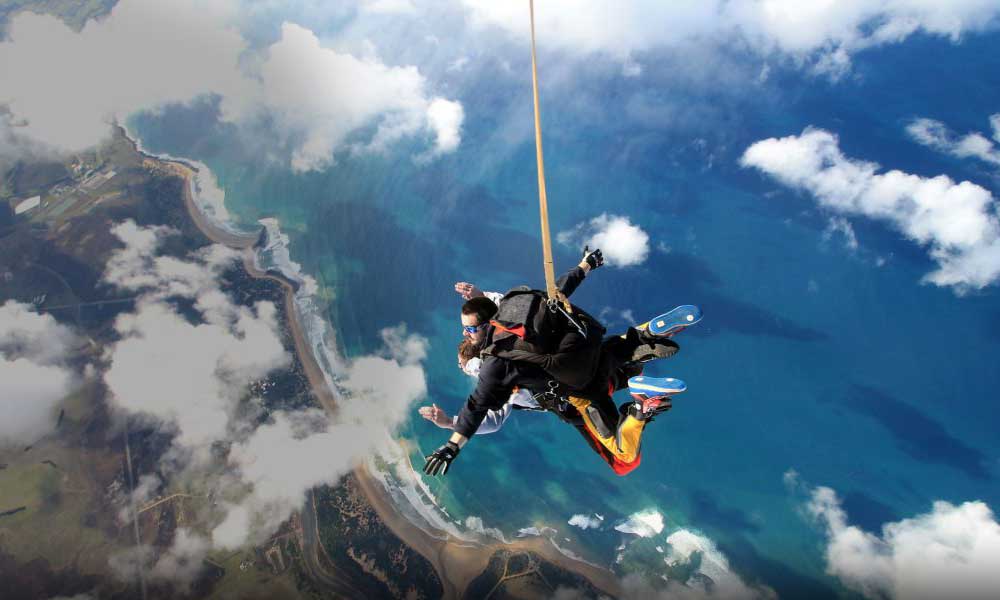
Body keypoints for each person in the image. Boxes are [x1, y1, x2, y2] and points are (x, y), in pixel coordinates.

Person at [423, 248, 685, 476]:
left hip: (577, 395)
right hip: (592, 353)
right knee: (626, 361)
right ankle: (649, 333)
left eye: (469, 332)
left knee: (622, 461)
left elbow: (480, 412)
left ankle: (640, 410)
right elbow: (557, 291)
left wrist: (451, 436)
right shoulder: (516, 309)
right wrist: (586, 264)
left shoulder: (498, 371)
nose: (466, 335)